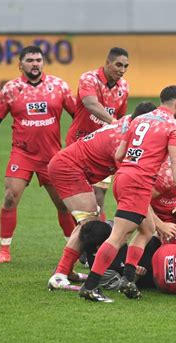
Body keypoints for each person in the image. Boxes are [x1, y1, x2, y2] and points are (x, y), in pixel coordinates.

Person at [79, 85, 176, 303]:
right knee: (118, 236)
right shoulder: (174, 127)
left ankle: (128, 281)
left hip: (123, 177)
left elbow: (119, 154)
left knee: (147, 229)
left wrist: (130, 169)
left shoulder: (139, 119)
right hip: (138, 183)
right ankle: (90, 287)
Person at [47, 102, 156, 290]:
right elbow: (132, 183)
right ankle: (59, 276)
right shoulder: (122, 139)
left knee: (90, 222)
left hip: (75, 168)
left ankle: (65, 270)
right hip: (69, 168)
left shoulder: (128, 125)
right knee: (90, 225)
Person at [0, 45, 76, 264]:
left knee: (63, 205)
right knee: (9, 197)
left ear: (43, 63)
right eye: (30, 60)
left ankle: (73, 249)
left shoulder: (59, 86)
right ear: (20, 64)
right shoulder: (11, 89)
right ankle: (4, 251)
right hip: (22, 153)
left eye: (38, 60)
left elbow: (77, 114)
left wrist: (79, 143)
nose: (35, 64)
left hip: (52, 155)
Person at [66, 47, 130, 221]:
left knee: (99, 196)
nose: (122, 70)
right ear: (107, 63)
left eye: (126, 66)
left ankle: (96, 241)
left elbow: (121, 115)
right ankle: (82, 237)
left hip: (103, 147)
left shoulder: (123, 87)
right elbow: (90, 104)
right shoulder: (89, 79)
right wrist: (114, 124)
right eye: (118, 65)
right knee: (81, 199)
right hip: (79, 143)